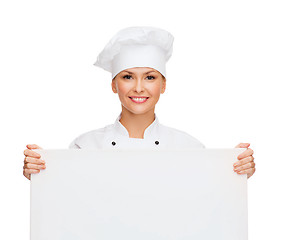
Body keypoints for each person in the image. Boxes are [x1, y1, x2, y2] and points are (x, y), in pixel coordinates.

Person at [23, 26, 256, 180]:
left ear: (163, 85)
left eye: (150, 77)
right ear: (114, 85)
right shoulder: (85, 146)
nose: (138, 88)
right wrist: (40, 171)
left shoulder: (189, 148)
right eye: (127, 77)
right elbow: (66, 200)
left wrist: (235, 170)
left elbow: (209, 199)